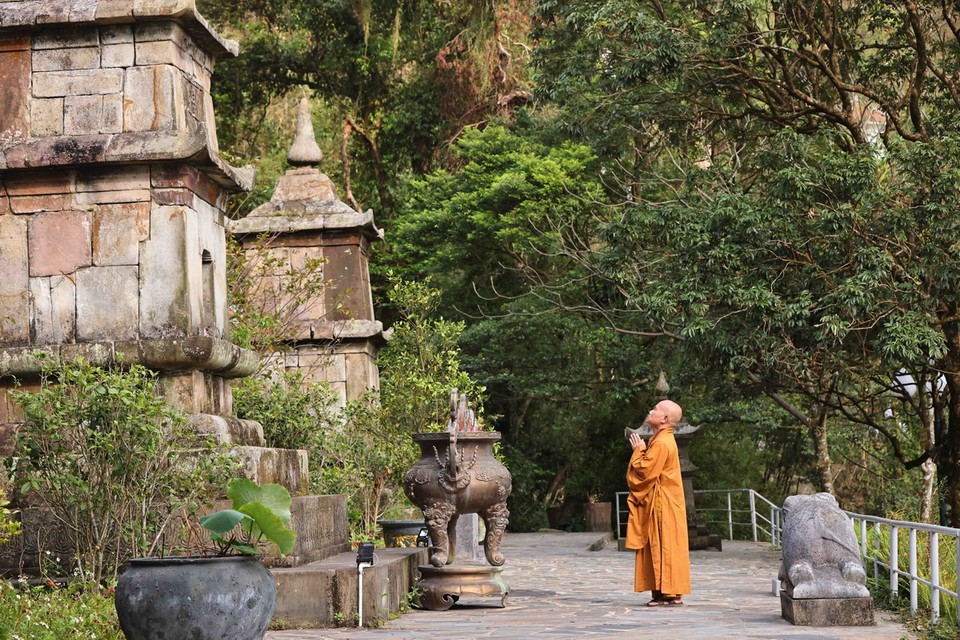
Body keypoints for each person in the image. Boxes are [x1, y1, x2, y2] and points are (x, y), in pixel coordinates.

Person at [624, 399, 691, 606]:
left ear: (664, 418)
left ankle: (669, 593)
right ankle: (667, 592)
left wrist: (638, 450)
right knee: (664, 545)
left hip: (664, 505)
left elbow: (644, 471)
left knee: (664, 545)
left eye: (655, 409)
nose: (650, 410)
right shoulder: (661, 439)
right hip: (666, 502)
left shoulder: (662, 442)